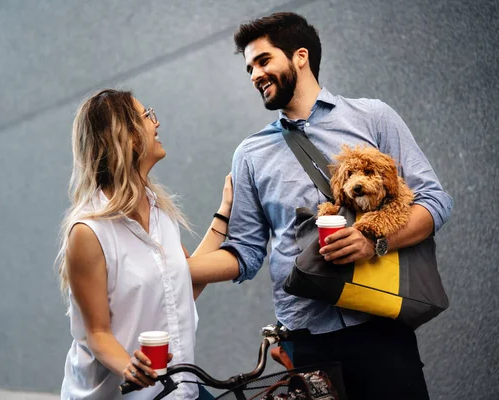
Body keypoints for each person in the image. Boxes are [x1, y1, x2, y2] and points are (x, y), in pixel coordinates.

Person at [188, 12, 454, 400]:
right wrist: (175, 269)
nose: (254, 75)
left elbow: (435, 201)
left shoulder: (372, 117)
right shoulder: (249, 154)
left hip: (378, 326)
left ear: (300, 56)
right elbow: (244, 253)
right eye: (249, 68)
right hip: (306, 339)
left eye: (263, 61)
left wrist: (374, 240)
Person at [56, 89, 230, 399]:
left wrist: (226, 210)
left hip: (177, 390)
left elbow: (181, 287)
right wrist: (130, 368)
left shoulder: (160, 211)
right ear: (127, 136)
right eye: (147, 115)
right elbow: (97, 333)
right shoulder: (88, 231)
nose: (157, 122)